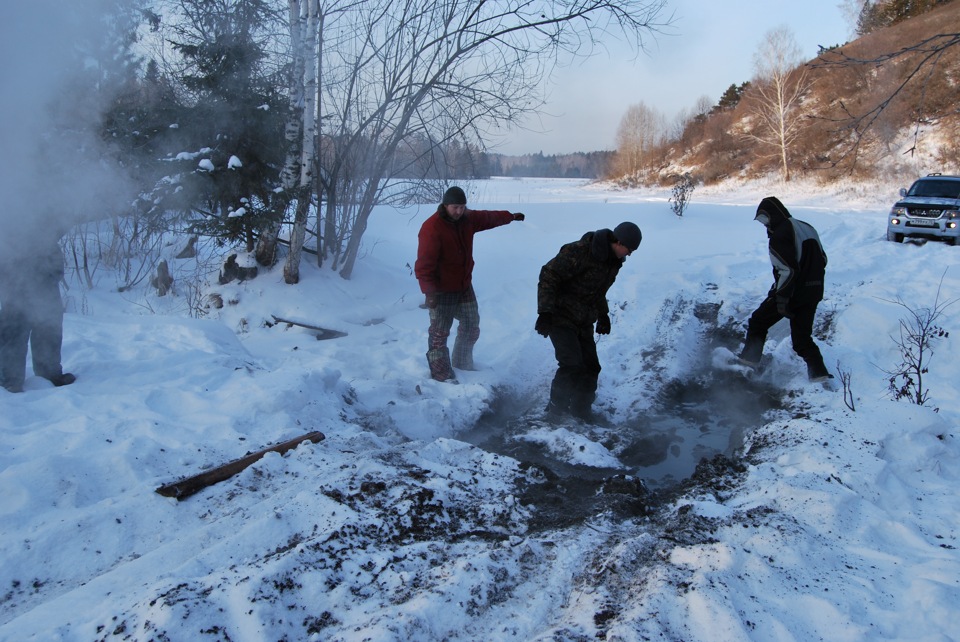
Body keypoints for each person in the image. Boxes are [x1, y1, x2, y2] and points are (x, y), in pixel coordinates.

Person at [415, 186, 524, 382]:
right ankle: (441, 375)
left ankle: (462, 363)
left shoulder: (467, 219)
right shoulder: (432, 228)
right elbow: (423, 265)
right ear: (445, 205)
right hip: (441, 290)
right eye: (455, 207)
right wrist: (429, 292)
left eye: (462, 207)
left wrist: (510, 216)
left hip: (463, 286)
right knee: (439, 333)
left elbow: (487, 217)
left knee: (471, 325)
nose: (459, 211)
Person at [536, 221, 641, 421]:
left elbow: (598, 291)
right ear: (618, 241)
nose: (629, 254)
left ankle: (581, 410)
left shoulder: (613, 262)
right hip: (560, 314)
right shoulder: (580, 251)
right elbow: (549, 274)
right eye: (629, 249)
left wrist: (603, 315)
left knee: (591, 366)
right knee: (571, 363)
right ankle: (555, 412)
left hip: (583, 319)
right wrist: (545, 312)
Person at [737, 196, 832, 382]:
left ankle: (747, 365)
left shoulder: (781, 234)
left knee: (758, 322)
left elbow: (787, 270)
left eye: (765, 221)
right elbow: (823, 260)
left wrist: (782, 298)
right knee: (802, 339)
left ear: (771, 216)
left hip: (793, 292)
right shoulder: (806, 226)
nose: (765, 227)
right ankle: (820, 376)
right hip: (814, 291)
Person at [0, 220, 76, 393]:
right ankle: (9, 379)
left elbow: (62, 221)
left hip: (44, 266)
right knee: (14, 321)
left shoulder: (48, 199)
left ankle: (49, 373)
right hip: (12, 265)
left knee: (49, 321)